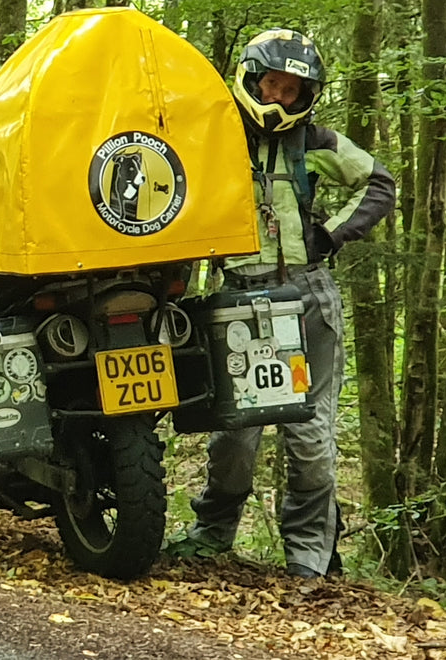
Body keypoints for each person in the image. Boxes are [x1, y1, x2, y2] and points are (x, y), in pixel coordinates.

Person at [166, 28, 396, 579]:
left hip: (307, 296)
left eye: (291, 90)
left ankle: (309, 557)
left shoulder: (317, 143)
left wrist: (331, 235)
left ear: (305, 95)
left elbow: (379, 184)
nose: (278, 97)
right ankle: (212, 532)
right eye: (271, 84)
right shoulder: (214, 141)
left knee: (310, 433)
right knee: (234, 433)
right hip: (237, 297)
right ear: (252, 79)